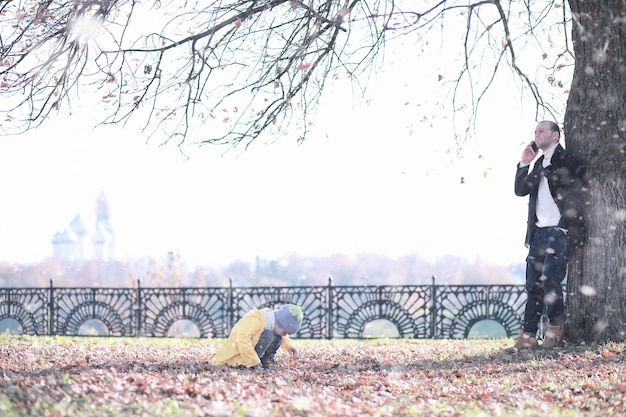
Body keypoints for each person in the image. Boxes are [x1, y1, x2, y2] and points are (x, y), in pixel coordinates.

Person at [505, 120, 587, 353]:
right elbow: (521, 190)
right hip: (539, 233)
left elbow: (578, 193)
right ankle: (528, 336)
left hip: (559, 232)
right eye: (535, 131)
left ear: (555, 135)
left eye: (541, 130)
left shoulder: (568, 159)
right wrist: (524, 163)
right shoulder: (540, 163)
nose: (536, 134)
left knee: (551, 280)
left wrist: (565, 225)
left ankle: (554, 331)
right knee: (533, 285)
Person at [210, 304, 303, 368]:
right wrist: (253, 361)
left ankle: (265, 360)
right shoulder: (255, 320)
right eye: (284, 332)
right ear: (278, 324)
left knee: (278, 337)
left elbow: (281, 335)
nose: (285, 335)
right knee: (269, 335)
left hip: (251, 353)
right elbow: (242, 341)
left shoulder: (272, 322)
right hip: (236, 356)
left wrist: (289, 346)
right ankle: (256, 363)